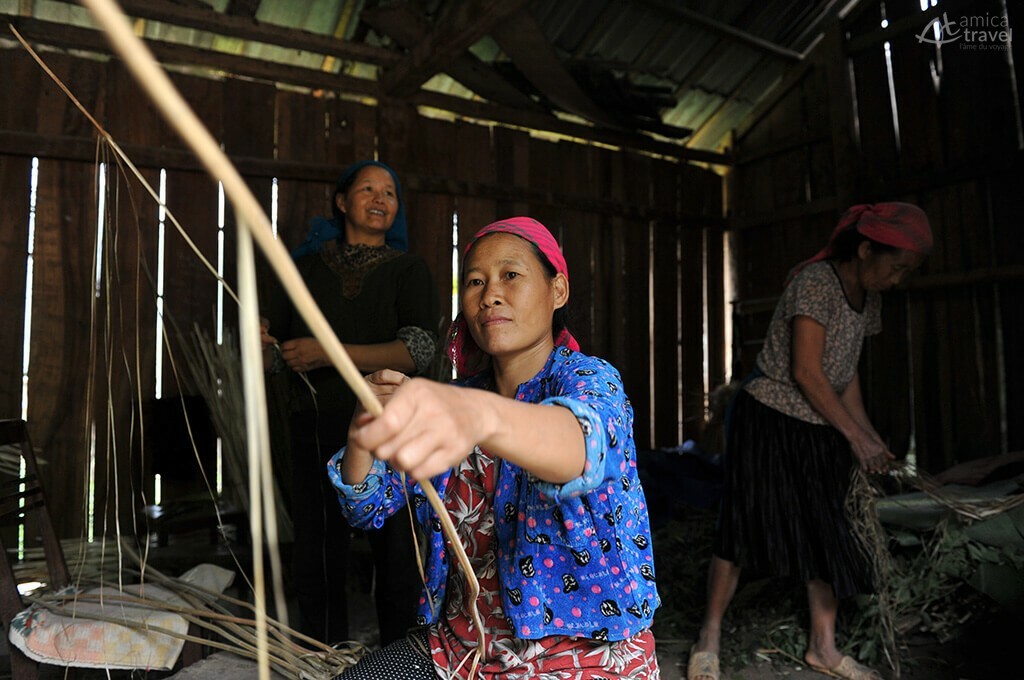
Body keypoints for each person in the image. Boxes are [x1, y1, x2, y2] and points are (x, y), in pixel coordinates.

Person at [327, 217, 661, 679]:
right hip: (459, 651)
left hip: (580, 657)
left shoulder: (589, 381)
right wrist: (363, 432)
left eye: (511, 275)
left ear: (557, 291)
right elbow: (367, 507)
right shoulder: (460, 399)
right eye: (475, 282)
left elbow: (579, 449)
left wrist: (475, 413)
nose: (489, 295)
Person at [688, 203, 933, 680]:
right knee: (742, 524)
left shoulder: (869, 297)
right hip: (772, 417)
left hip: (822, 422)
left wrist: (867, 436)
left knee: (828, 532)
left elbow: (845, 373)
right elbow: (806, 370)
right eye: (896, 266)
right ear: (866, 249)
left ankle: (823, 648)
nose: (898, 279)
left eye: (907, 272)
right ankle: (708, 638)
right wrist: (853, 437)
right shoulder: (816, 282)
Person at [261, 160, 440, 645]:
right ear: (342, 202)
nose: (381, 198)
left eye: (390, 191)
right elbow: (274, 355)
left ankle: (401, 662)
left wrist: (329, 353)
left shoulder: (409, 270)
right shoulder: (305, 270)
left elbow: (418, 350)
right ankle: (322, 659)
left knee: (398, 552)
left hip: (389, 426)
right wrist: (264, 346)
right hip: (315, 422)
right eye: (368, 189)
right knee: (317, 554)